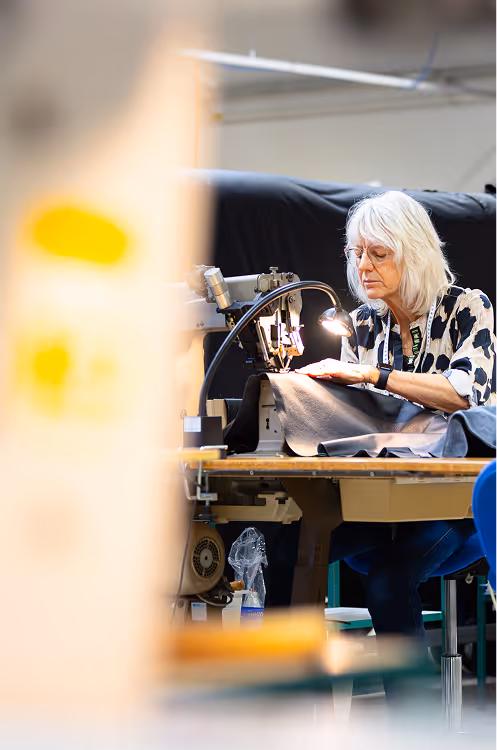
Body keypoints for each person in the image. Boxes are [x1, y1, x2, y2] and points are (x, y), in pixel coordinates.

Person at [295, 191, 496, 693]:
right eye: (356, 253)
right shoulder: (364, 323)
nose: (363, 266)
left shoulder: (469, 309)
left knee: (387, 579)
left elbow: (461, 394)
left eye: (378, 254)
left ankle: (415, 727)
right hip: (381, 505)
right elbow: (351, 417)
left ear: (416, 253)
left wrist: (371, 374)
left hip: (454, 509)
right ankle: (289, 705)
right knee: (291, 543)